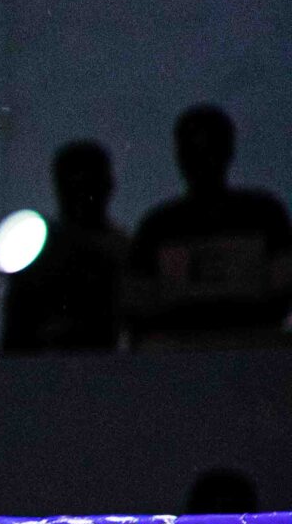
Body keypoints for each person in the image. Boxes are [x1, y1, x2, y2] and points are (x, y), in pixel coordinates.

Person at [124, 103, 292, 345]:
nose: (203, 161)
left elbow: (283, 293)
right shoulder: (157, 227)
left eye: (210, 149)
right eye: (194, 152)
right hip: (186, 353)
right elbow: (137, 306)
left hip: (249, 348)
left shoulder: (265, 215)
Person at [2, 140, 126, 352]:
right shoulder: (120, 247)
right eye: (74, 187)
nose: (81, 198)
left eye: (88, 186)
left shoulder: (36, 247)